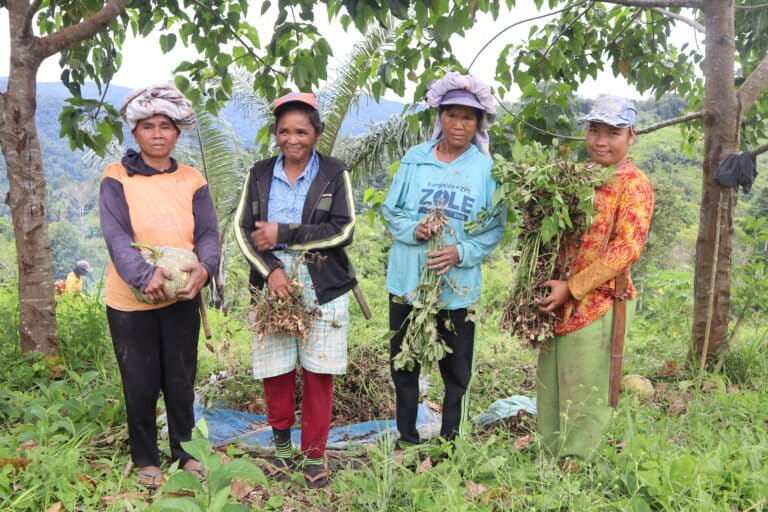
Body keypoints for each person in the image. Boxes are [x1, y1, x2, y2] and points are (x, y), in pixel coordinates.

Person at [98, 84, 220, 489]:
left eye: (165, 126)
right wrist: (143, 275)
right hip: (131, 303)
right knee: (140, 380)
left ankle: (185, 453)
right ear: (134, 132)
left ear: (176, 133)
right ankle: (146, 458)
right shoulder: (117, 177)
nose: (156, 133)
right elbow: (116, 234)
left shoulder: (192, 179)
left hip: (182, 297)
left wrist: (205, 267)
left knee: (182, 377)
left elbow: (207, 232)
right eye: (147, 126)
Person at [234, 92, 356, 488]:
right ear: (276, 134)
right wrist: (271, 271)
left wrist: (284, 234)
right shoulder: (259, 173)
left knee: (319, 371)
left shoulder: (334, 174)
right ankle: (283, 452)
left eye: (302, 131)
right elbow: (242, 228)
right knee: (276, 369)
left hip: (323, 282)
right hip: (272, 284)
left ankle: (315, 456)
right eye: (284, 131)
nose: (293, 139)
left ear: (316, 133)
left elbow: (343, 228)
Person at [383, 72, 503, 454]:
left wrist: (460, 252)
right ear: (440, 117)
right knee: (405, 364)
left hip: (456, 289)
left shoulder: (486, 170)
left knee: (456, 371)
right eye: (452, 115)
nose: (459, 124)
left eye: (468, 118)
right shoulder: (415, 160)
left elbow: (494, 228)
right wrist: (413, 229)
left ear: (479, 123)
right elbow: (391, 210)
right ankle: (406, 438)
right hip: (408, 282)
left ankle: (450, 445)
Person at [536, 95, 654, 466]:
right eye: (594, 130)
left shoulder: (634, 184)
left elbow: (626, 250)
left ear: (631, 136)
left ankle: (575, 464)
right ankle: (549, 454)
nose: (601, 140)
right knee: (552, 382)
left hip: (602, 302)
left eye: (612, 133)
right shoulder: (580, 175)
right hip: (559, 298)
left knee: (585, 386)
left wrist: (573, 287)